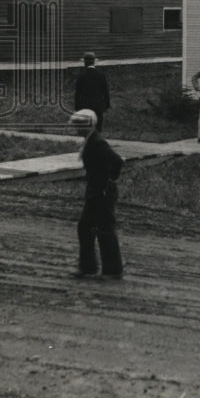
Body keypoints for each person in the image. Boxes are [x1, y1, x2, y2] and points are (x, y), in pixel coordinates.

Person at [71, 108, 123, 279]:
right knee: (89, 228)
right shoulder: (92, 139)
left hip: (101, 193)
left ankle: (108, 270)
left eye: (78, 125)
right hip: (97, 191)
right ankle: (96, 268)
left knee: (100, 228)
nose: (76, 129)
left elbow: (117, 161)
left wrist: (108, 181)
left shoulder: (97, 142)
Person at [74, 51, 111, 133]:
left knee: (87, 129)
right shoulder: (101, 75)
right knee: (98, 129)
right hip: (98, 106)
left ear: (85, 62)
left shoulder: (80, 76)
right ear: (94, 62)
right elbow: (105, 92)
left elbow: (77, 94)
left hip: (85, 107)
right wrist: (106, 105)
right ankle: (98, 144)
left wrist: (77, 108)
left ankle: (88, 144)